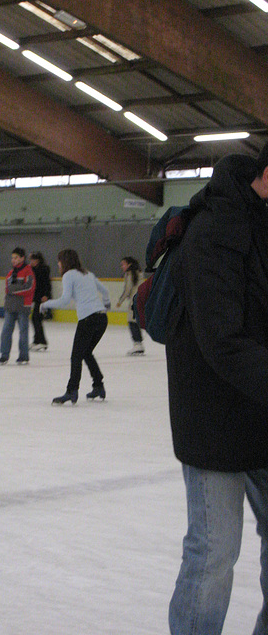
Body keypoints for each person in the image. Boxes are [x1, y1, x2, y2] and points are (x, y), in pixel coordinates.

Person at [166, 143, 268, 634]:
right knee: (215, 552)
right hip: (213, 418)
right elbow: (221, 340)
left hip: (262, 411)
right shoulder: (212, 233)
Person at [40, 249, 110, 404]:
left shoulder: (68, 275)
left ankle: (72, 391)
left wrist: (46, 304)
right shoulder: (88, 274)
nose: (58, 264)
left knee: (76, 356)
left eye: (59, 261)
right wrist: (106, 304)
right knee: (86, 353)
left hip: (88, 320)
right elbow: (105, 291)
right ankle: (98, 385)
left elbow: (65, 301)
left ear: (64, 261)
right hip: (101, 318)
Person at [0, 247, 35, 365]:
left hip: (23, 307)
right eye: (12, 258)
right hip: (10, 307)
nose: (13, 260)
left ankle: (23, 356)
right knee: (6, 331)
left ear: (22, 258)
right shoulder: (10, 273)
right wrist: (14, 290)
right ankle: (4, 355)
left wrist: (14, 290)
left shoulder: (28, 271)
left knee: (23, 332)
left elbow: (29, 288)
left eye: (16, 258)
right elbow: (7, 288)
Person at [116, 256, 144, 355]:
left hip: (135, 301)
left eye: (123, 264)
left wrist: (120, 300)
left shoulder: (130, 273)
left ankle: (138, 344)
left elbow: (128, 289)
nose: (122, 266)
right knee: (135, 321)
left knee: (132, 321)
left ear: (129, 264)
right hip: (140, 300)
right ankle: (139, 344)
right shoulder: (138, 272)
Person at [29, 251, 52, 351]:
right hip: (37, 297)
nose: (31, 262)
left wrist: (46, 295)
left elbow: (47, 283)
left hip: (43, 298)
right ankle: (37, 340)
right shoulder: (33, 269)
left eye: (33, 260)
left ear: (38, 260)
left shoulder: (43, 269)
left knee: (37, 319)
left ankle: (42, 341)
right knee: (35, 319)